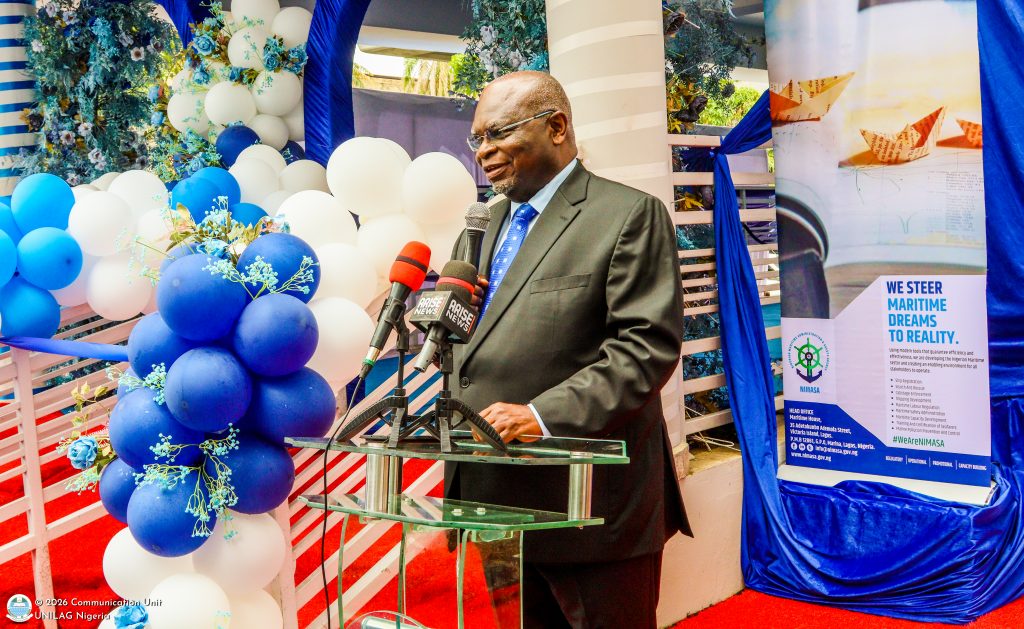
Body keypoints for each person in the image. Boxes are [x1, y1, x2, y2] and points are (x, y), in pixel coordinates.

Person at [448, 70, 691, 628]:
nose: (483, 151)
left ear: (556, 127)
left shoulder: (627, 214)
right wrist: (443, 327)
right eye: (477, 138)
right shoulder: (481, 226)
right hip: (495, 496)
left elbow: (644, 349)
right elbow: (470, 349)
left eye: (498, 133)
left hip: (589, 508)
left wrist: (539, 416)